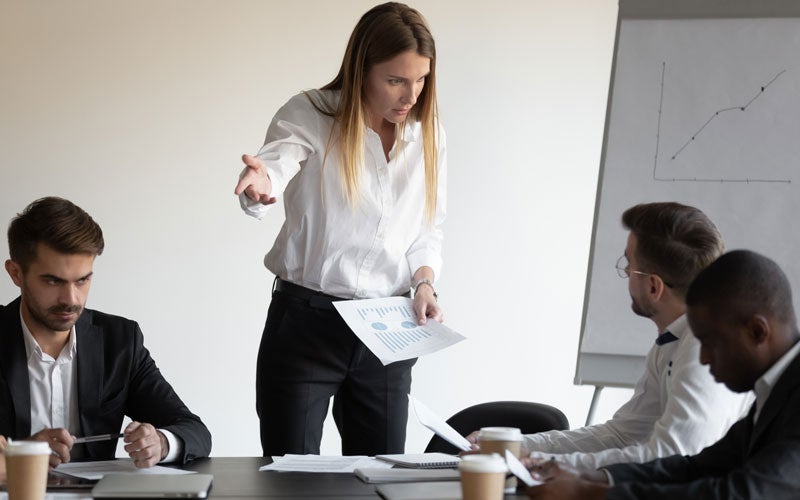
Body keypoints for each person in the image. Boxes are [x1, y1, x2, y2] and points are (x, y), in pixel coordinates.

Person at [233, 2, 446, 456]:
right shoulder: (311, 113)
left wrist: (425, 283)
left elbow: (427, 227)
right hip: (307, 323)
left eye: (421, 79)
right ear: (360, 69)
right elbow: (275, 163)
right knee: (289, 476)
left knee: (378, 476)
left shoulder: (428, 133)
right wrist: (259, 187)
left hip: (386, 328)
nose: (410, 95)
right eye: (395, 80)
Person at [468, 202, 750, 469]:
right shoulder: (671, 341)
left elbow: (669, 459)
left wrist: (540, 461)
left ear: (654, 287)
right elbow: (621, 435)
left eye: (630, 264)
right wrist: (514, 444)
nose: (626, 271)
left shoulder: (703, 351)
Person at [526, 249, 800, 499]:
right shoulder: (776, 389)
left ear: (757, 332)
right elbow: (697, 467)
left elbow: (740, 494)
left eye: (710, 342)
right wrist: (593, 477)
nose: (703, 359)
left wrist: (592, 494)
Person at [0, 197, 211, 468]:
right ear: (16, 273)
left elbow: (194, 431)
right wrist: (21, 454)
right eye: (53, 281)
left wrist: (161, 442)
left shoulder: (120, 341)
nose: (71, 299)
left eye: (82, 280)